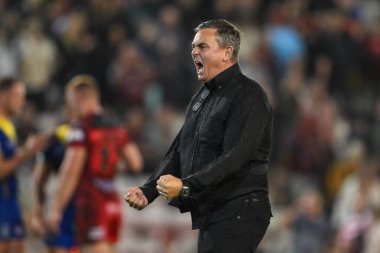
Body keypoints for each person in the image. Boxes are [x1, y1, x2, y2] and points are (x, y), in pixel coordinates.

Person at [125, 19, 273, 253]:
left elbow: (236, 157)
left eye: (202, 46)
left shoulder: (249, 95)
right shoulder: (202, 97)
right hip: (214, 211)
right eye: (193, 46)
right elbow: (179, 150)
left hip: (239, 209)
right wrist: (148, 190)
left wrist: (186, 186)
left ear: (227, 53)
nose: (194, 51)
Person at [48, 75, 143, 253]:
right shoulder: (116, 125)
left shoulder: (81, 127)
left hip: (91, 201)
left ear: (78, 99)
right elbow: (136, 162)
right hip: (112, 201)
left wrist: (56, 209)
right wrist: (113, 163)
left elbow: (71, 171)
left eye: (71, 103)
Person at [0, 77, 49, 253]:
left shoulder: (8, 127)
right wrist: (27, 152)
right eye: (17, 95)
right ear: (2, 96)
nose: (22, 101)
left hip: (10, 201)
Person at [31, 107, 77, 253]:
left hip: (86, 205)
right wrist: (38, 212)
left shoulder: (95, 133)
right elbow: (39, 179)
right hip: (63, 205)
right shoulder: (55, 139)